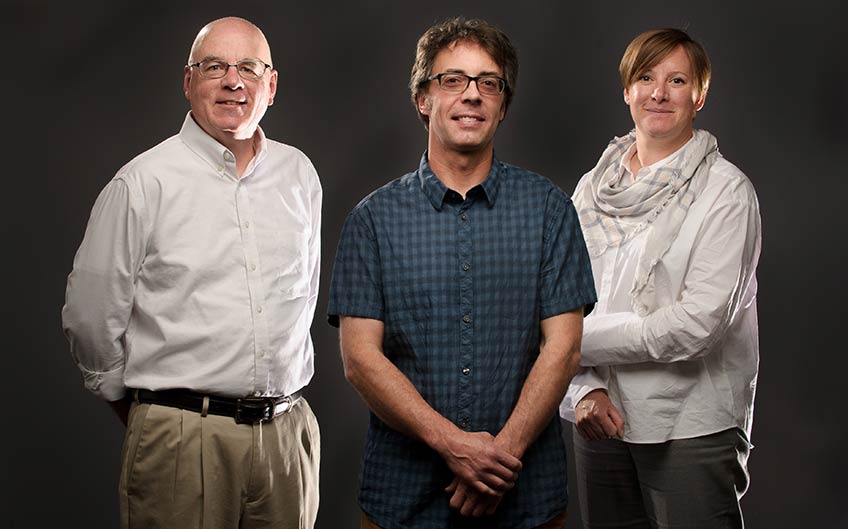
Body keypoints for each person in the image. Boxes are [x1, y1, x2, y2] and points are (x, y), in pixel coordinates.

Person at [328, 16, 597, 529]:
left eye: (488, 83)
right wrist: (454, 446)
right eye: (452, 79)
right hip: (403, 499)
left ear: (502, 104)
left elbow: (564, 349)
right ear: (423, 99)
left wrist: (496, 462)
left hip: (526, 496)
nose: (471, 95)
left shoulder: (549, 210)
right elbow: (361, 360)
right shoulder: (372, 221)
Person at [62, 16, 321, 529]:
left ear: (271, 84)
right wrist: (151, 413)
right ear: (188, 82)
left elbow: (304, 298)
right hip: (181, 440)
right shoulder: (141, 184)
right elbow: (90, 320)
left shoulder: (299, 176)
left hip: (288, 442)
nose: (233, 81)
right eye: (214, 67)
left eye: (248, 67)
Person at [560, 28, 761, 529]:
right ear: (627, 89)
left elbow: (696, 326)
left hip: (691, 425)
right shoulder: (592, 188)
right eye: (646, 77)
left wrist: (570, 345)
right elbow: (561, 300)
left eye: (677, 80)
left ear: (700, 95)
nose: (659, 93)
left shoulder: (726, 193)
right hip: (600, 419)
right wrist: (581, 389)